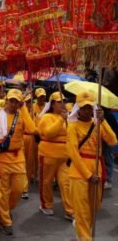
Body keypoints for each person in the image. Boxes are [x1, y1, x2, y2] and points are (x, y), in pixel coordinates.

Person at [67, 92, 117, 241]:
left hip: (97, 171)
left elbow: (113, 141)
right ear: (78, 109)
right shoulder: (72, 127)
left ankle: (82, 231)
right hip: (79, 174)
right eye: (84, 107)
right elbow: (73, 153)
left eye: (90, 107)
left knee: (94, 208)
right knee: (82, 212)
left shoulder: (98, 125)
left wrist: (103, 121)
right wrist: (88, 175)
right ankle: (85, 238)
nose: (87, 110)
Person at [0, 89, 38, 236]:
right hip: (2, 158)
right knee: (3, 190)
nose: (14, 104)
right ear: (6, 100)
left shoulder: (21, 114)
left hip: (18, 157)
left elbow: (32, 128)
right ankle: (5, 220)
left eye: (17, 101)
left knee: (19, 188)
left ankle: (6, 209)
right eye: (12, 100)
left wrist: (24, 109)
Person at [37, 92, 74, 220]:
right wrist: (61, 120)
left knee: (66, 182)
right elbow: (48, 133)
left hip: (64, 156)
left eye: (63, 101)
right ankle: (46, 205)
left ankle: (69, 210)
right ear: (52, 104)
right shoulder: (46, 117)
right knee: (46, 181)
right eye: (59, 101)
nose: (62, 104)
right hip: (48, 154)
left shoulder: (67, 118)